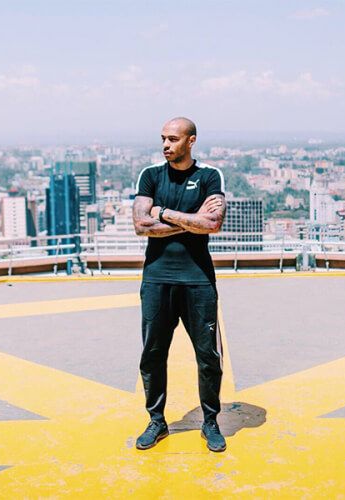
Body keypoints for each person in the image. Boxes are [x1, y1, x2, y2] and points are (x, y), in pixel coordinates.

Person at [132, 117, 228, 452]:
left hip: (198, 280)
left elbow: (213, 223)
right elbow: (141, 225)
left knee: (208, 356)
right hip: (156, 278)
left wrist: (164, 213)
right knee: (153, 354)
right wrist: (191, 220)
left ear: (191, 141)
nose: (165, 145)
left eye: (173, 139)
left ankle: (211, 421)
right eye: (163, 138)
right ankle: (156, 420)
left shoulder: (209, 176)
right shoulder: (150, 175)